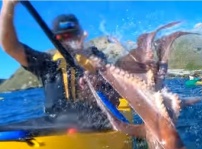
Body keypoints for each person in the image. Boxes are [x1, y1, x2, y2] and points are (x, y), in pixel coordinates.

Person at [0, 0, 119, 131]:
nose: (68, 41)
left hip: (96, 120)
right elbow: (10, 47)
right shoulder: (46, 64)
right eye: (62, 37)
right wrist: (8, 5)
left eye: (72, 35)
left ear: (81, 36)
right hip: (55, 122)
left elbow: (115, 92)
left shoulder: (95, 58)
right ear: (55, 39)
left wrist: (97, 83)